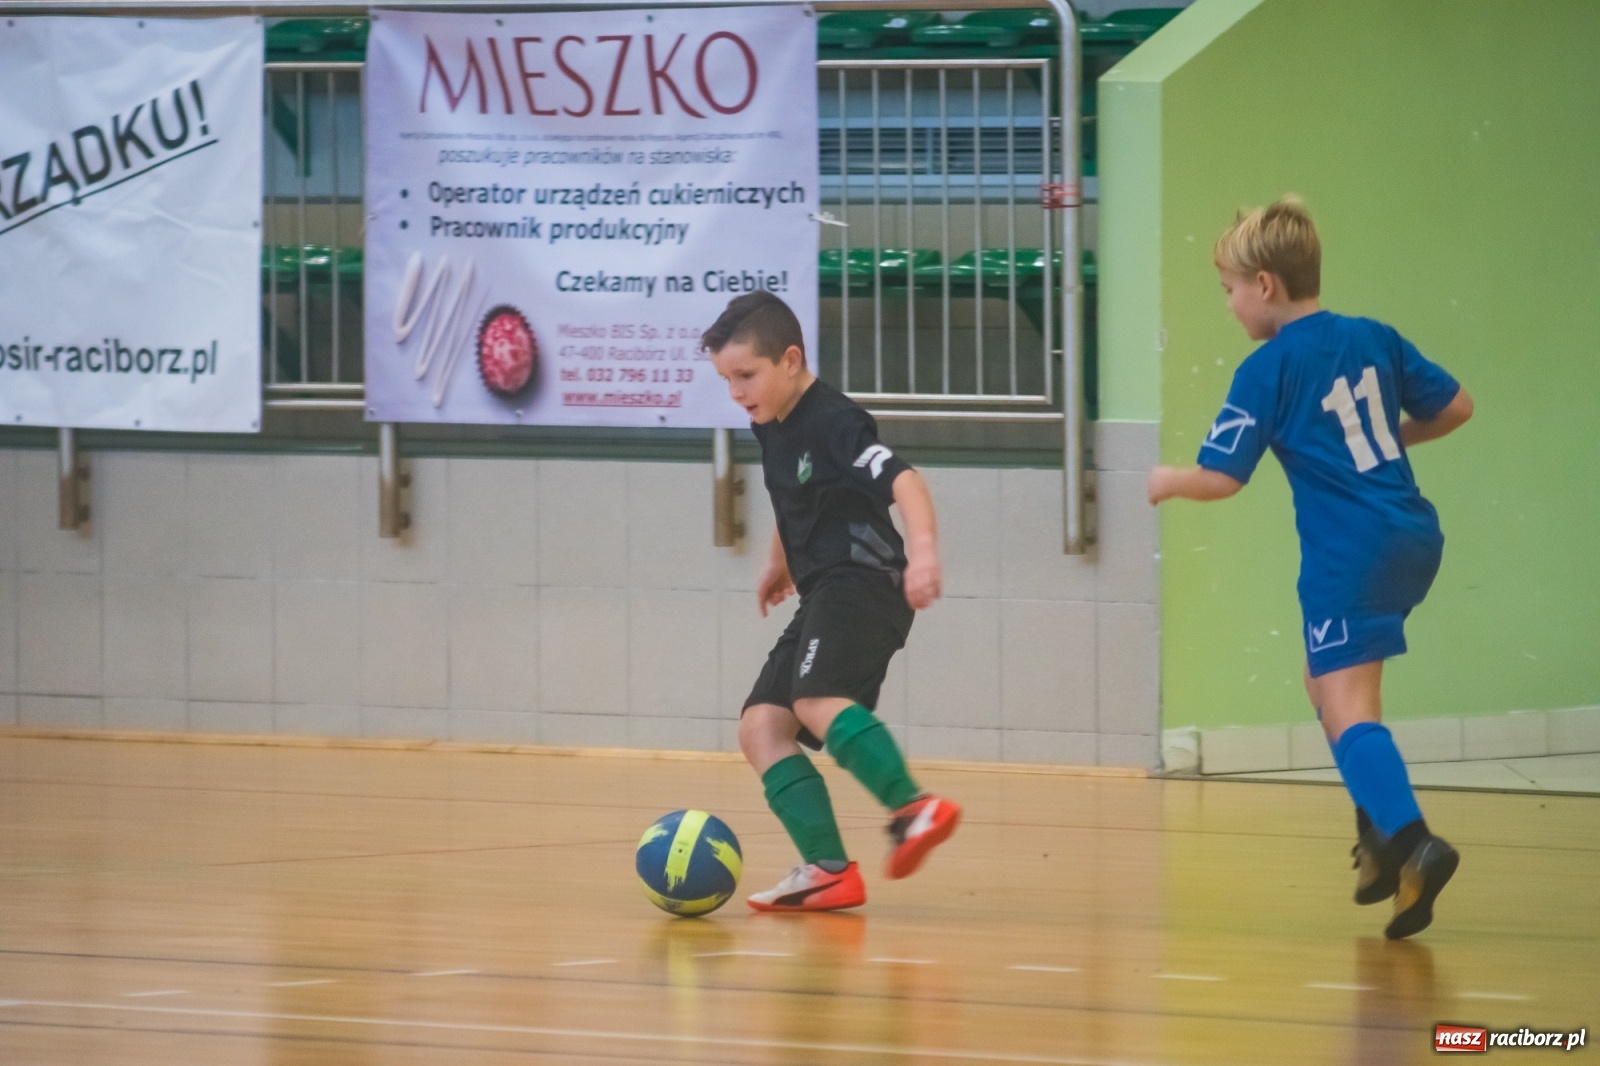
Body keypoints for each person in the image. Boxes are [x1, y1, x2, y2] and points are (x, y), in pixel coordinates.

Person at [1148, 198, 1474, 939]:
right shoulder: (1374, 337)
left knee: (1347, 702)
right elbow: (1457, 406)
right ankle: (1378, 845)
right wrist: (1381, 443)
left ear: (1264, 285)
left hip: (1347, 551)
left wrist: (1167, 479)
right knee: (1326, 683)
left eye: (1229, 289)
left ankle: (1413, 842)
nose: (1229, 305)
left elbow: (1221, 477)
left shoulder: (1267, 368)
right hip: (1412, 536)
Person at [702, 290, 960, 912]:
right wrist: (778, 562)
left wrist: (923, 553)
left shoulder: (835, 421)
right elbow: (798, 499)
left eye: (746, 375)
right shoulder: (772, 423)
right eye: (726, 380)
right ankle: (828, 870)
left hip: (864, 584)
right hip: (823, 589)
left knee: (815, 699)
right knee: (761, 726)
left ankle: (915, 807)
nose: (736, 392)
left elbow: (906, 479)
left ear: (790, 359)